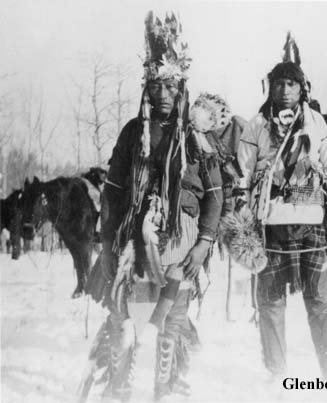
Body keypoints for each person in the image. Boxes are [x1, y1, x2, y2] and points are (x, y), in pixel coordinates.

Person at [82, 11, 223, 402]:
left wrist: (204, 243)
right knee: (122, 318)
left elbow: (215, 195)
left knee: (171, 324)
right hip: (132, 244)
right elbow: (111, 194)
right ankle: (119, 388)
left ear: (182, 90)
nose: (163, 94)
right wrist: (108, 244)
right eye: (156, 86)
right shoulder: (132, 133)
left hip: (181, 245)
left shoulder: (198, 138)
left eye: (171, 87)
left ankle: (164, 390)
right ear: (147, 88)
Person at [237, 60, 327, 379]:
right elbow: (243, 175)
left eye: (292, 84)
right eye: (279, 84)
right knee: (270, 303)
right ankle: (277, 374)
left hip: (310, 222)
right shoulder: (257, 124)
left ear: (302, 88)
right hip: (270, 224)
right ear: (270, 87)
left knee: (320, 301)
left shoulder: (315, 123)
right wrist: (242, 213)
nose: (285, 90)